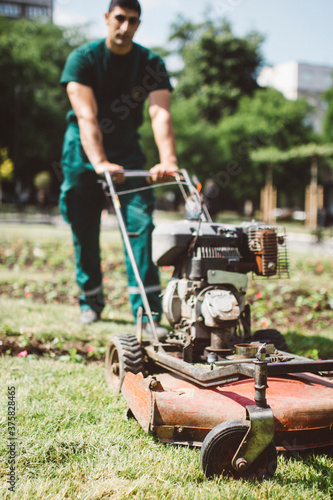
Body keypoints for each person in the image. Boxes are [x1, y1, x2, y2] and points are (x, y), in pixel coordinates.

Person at [59, 0, 178, 327]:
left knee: (140, 226)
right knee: (84, 228)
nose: (125, 27)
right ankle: (91, 302)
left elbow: (159, 113)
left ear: (139, 24)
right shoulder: (83, 59)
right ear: (107, 18)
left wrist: (167, 160)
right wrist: (99, 162)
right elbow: (86, 115)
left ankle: (147, 312)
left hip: (127, 153)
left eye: (133, 21)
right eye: (120, 19)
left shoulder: (151, 63)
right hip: (83, 152)